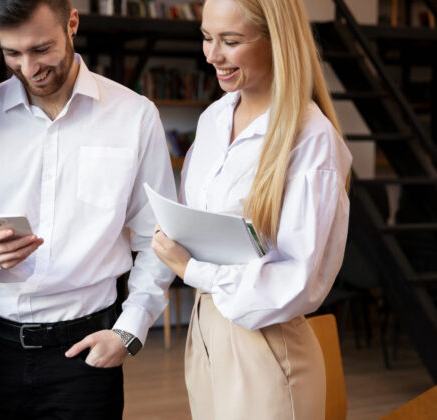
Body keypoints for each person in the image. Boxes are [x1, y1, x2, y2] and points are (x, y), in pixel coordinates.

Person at [0, 0, 177, 418]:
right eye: (12, 53)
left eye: (41, 49)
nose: (29, 68)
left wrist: (129, 331)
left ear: (72, 23)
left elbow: (158, 239)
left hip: (88, 349)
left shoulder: (135, 116)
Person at [151, 0, 352, 419]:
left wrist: (192, 270)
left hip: (266, 346)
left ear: (276, 41)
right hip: (205, 332)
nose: (212, 55)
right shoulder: (212, 120)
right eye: (207, 37)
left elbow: (298, 281)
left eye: (231, 41)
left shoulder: (312, 139)